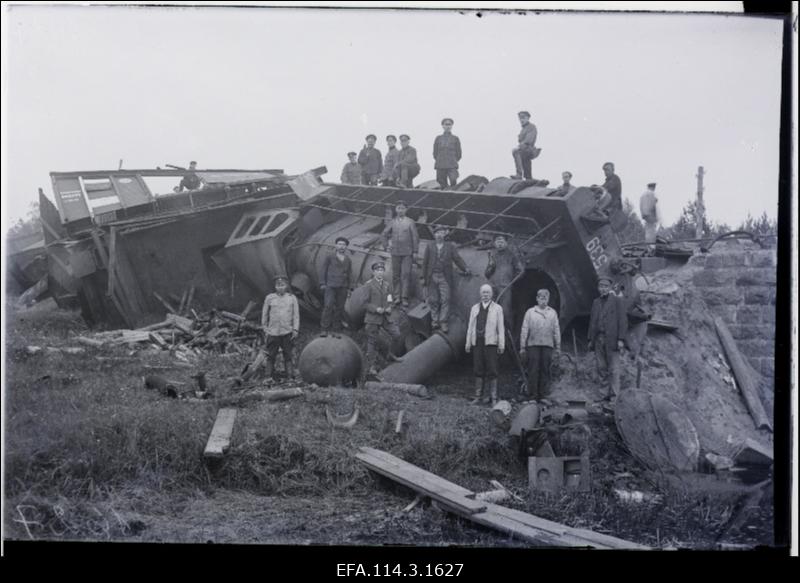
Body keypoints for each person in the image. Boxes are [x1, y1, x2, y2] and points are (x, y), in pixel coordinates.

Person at [421, 225, 471, 333]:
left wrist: (465, 268)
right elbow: (424, 263)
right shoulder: (430, 246)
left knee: (446, 299)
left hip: (445, 277)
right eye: (437, 233)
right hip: (432, 276)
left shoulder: (450, 246)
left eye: (442, 233)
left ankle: (443, 321)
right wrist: (423, 278)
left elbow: (457, 258)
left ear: (445, 234)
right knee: (433, 300)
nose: (439, 235)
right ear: (434, 235)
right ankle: (434, 321)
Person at [587, 276, 628, 401]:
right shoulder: (596, 302)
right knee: (601, 367)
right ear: (598, 288)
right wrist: (590, 339)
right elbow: (592, 322)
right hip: (599, 339)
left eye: (605, 286)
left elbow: (623, 321)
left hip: (612, 339)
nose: (603, 289)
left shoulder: (617, 301)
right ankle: (603, 394)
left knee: (614, 368)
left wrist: (621, 339)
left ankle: (615, 396)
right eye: (601, 286)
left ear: (610, 288)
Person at [466, 284, 505, 406]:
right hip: (478, 342)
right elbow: (470, 327)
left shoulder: (497, 309)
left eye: (488, 293)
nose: (485, 295)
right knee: (478, 368)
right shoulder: (475, 308)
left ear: (492, 294)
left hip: (491, 343)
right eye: (483, 293)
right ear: (480, 294)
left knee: (492, 369)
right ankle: (478, 396)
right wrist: (468, 343)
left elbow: (500, 328)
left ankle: (493, 398)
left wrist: (501, 344)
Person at [362, 262, 403, 378]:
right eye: (377, 270)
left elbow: (390, 299)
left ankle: (390, 355)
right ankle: (371, 366)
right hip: (373, 318)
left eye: (381, 270)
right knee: (372, 341)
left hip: (386, 316)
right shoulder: (368, 285)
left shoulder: (387, 284)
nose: (380, 272)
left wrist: (390, 307)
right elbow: (364, 303)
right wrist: (375, 309)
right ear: (373, 272)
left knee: (396, 334)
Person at [519, 289, 561, 401]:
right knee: (533, 369)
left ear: (548, 299)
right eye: (541, 298)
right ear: (537, 299)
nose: (543, 300)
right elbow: (524, 329)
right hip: (533, 345)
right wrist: (523, 346)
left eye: (545, 298)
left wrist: (558, 346)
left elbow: (556, 330)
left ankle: (543, 395)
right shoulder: (530, 312)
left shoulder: (552, 313)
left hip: (548, 345)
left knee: (545, 370)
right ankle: (533, 395)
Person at [261, 275, 300, 379]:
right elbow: (264, 313)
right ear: (275, 287)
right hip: (273, 332)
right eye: (278, 285)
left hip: (287, 332)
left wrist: (295, 329)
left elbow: (296, 315)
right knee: (271, 356)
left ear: (286, 286)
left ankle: (290, 377)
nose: (280, 287)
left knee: (288, 356)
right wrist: (265, 328)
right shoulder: (269, 298)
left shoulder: (292, 298)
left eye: (282, 285)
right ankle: (268, 377)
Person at [381, 201, 419, 306]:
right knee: (396, 275)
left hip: (407, 253)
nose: (400, 210)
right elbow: (384, 234)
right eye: (398, 208)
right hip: (395, 253)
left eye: (402, 208)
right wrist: (386, 246)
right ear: (395, 209)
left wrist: (415, 251)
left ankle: (404, 297)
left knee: (406, 275)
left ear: (406, 210)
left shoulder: (410, 222)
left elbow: (415, 237)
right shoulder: (392, 222)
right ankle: (397, 297)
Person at [485, 233, 524, 331]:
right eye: (497, 242)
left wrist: (511, 282)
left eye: (502, 241)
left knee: (505, 311)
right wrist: (490, 266)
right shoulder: (493, 255)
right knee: (490, 311)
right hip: (493, 286)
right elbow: (487, 274)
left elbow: (521, 271)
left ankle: (508, 335)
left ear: (506, 243)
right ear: (494, 244)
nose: (500, 244)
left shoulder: (512, 256)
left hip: (505, 287)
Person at [319, 237, 353, 335]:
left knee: (340, 308)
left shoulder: (348, 260)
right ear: (336, 245)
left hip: (343, 287)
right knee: (328, 306)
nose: (341, 246)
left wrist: (350, 288)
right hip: (330, 286)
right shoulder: (329, 257)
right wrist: (322, 283)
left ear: (346, 247)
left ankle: (336, 329)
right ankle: (324, 329)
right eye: (339, 244)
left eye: (343, 245)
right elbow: (323, 270)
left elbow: (350, 274)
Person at [433, 118, 462, 189]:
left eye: (449, 124)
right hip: (440, 164)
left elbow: (459, 153)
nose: (448, 126)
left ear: (452, 126)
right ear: (443, 126)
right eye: (446, 124)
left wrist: (453, 160)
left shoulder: (455, 138)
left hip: (452, 164)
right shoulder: (438, 138)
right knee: (441, 184)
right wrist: (440, 160)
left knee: (453, 181)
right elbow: (435, 153)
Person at [511, 111, 540, 180]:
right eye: (520, 118)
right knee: (524, 160)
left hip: (529, 148)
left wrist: (519, 147)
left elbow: (529, 140)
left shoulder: (531, 127)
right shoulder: (523, 129)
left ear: (528, 118)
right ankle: (528, 177)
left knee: (516, 152)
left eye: (523, 118)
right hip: (524, 149)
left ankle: (519, 174)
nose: (521, 120)